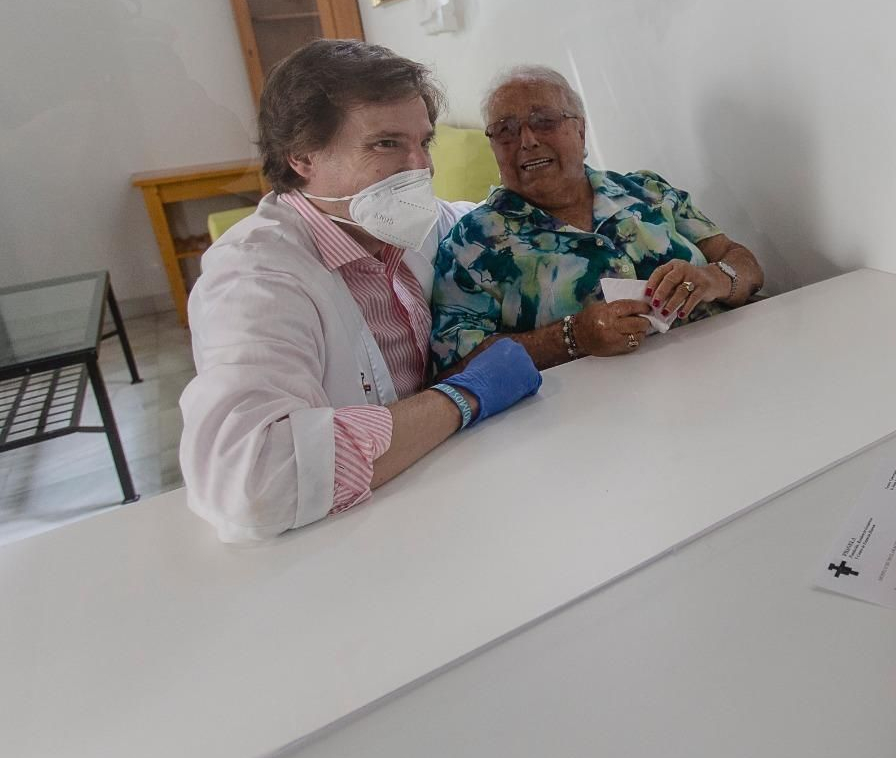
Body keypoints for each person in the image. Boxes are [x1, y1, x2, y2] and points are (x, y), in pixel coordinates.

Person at [180, 41, 542, 543]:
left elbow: (500, 223)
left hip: (447, 500)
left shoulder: (411, 225)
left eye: (425, 143)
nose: (421, 168)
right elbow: (253, 483)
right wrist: (463, 396)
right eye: (387, 144)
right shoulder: (254, 280)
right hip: (341, 546)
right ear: (302, 156)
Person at [430, 66, 764, 372]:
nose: (528, 141)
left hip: (729, 366)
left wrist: (713, 279)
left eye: (544, 121)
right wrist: (571, 338)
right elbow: (456, 367)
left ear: (580, 130)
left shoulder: (647, 190)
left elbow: (744, 264)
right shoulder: (472, 243)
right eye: (506, 130)